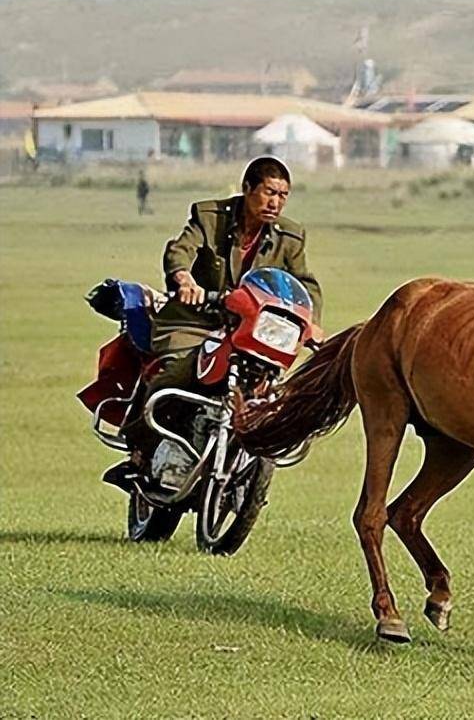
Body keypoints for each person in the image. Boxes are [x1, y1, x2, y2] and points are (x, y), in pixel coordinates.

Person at [106, 156, 322, 491]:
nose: (274, 202)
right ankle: (138, 451)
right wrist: (183, 279)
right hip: (195, 321)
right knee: (179, 371)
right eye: (268, 192)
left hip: (249, 330)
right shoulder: (210, 217)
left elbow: (305, 284)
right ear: (247, 189)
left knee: (268, 384)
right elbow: (181, 250)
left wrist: (312, 322)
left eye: (282, 195)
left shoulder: (289, 238)